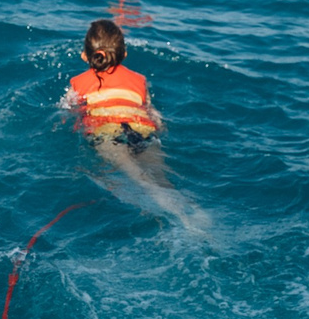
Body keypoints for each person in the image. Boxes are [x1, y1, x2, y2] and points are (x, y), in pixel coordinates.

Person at [64, 18, 206, 231]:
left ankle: (182, 223)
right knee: (162, 179)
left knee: (141, 181)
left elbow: (69, 111)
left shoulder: (78, 83)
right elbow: (152, 113)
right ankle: (196, 212)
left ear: (85, 56)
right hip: (142, 130)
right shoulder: (139, 80)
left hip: (107, 132)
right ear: (125, 54)